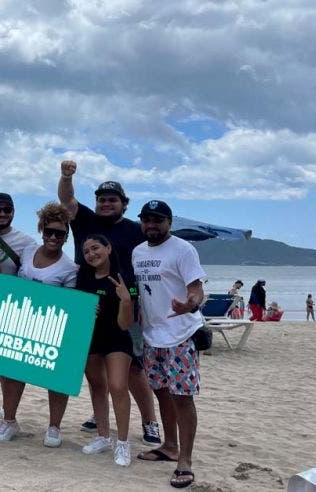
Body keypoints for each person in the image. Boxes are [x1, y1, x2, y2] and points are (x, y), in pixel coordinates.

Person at [58, 159, 162, 446]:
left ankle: (150, 421)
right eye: (101, 199)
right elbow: (66, 200)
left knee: (133, 369)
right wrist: (66, 176)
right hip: (88, 305)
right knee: (96, 366)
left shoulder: (136, 229)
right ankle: (100, 417)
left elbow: (156, 260)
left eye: (112, 200)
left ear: (123, 204)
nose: (105, 204)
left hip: (127, 304)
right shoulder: (86, 221)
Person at [132, 200, 206, 489]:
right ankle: (169, 445)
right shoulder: (138, 252)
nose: (151, 224)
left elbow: (196, 287)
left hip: (180, 335)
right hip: (152, 336)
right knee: (162, 392)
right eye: (146, 219)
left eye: (157, 219)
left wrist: (190, 304)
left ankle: (184, 460)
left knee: (182, 398)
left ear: (169, 222)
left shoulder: (183, 249)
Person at [0, 202, 78, 447]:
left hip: (51, 326)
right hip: (20, 319)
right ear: (41, 230)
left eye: (59, 233)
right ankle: (9, 420)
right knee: (11, 373)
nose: (53, 237)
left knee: (56, 377)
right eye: (49, 231)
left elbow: (71, 302)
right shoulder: (29, 250)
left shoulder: (70, 268)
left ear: (66, 236)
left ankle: (54, 426)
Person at [0, 192, 38, 434]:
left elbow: (33, 274)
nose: (2, 214)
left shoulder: (26, 242)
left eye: (7, 209)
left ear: (13, 211)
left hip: (12, 308)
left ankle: (8, 412)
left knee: (8, 368)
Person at [75, 234, 135, 466]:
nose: (91, 254)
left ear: (108, 248)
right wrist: (86, 310)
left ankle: (122, 443)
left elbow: (124, 325)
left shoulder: (124, 277)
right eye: (87, 251)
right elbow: (77, 308)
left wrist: (126, 301)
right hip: (91, 338)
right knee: (97, 386)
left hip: (117, 338)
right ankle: (102, 436)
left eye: (96, 248)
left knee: (118, 386)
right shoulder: (84, 277)